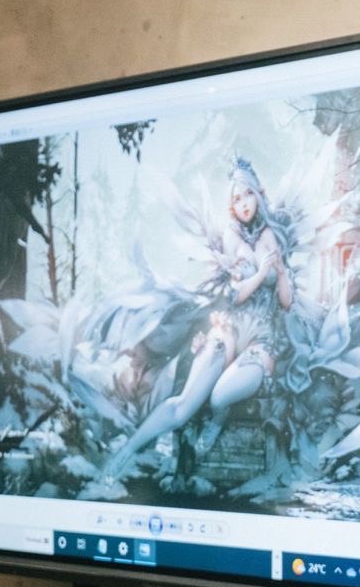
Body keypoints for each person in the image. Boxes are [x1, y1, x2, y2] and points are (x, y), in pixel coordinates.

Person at [103, 157, 292, 478]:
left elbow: (286, 302)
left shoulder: (272, 236)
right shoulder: (231, 236)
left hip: (262, 339)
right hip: (231, 327)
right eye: (237, 199)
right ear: (231, 206)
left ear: (258, 194)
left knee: (220, 396)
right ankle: (126, 452)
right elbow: (235, 294)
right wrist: (262, 273)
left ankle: (219, 417)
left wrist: (282, 272)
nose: (244, 203)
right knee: (183, 406)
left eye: (248, 194)